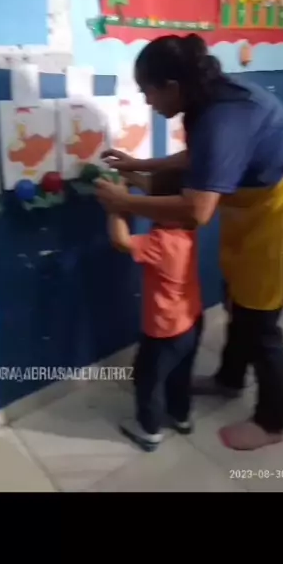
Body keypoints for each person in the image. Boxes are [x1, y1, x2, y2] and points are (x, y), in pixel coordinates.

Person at [96, 34, 283, 451]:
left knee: (260, 320)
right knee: (239, 300)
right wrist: (140, 164)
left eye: (148, 91)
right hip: (261, 212)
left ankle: (272, 422)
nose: (147, 101)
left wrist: (123, 202)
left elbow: (197, 210)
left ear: (172, 86)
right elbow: (199, 158)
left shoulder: (224, 115)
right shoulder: (205, 101)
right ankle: (229, 379)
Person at [106, 169, 203, 452]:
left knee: (148, 379)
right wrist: (129, 177)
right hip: (192, 320)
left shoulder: (161, 242)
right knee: (180, 374)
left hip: (165, 329)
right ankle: (181, 416)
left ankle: (149, 430)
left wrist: (115, 207)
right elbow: (162, 194)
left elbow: (121, 241)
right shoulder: (190, 227)